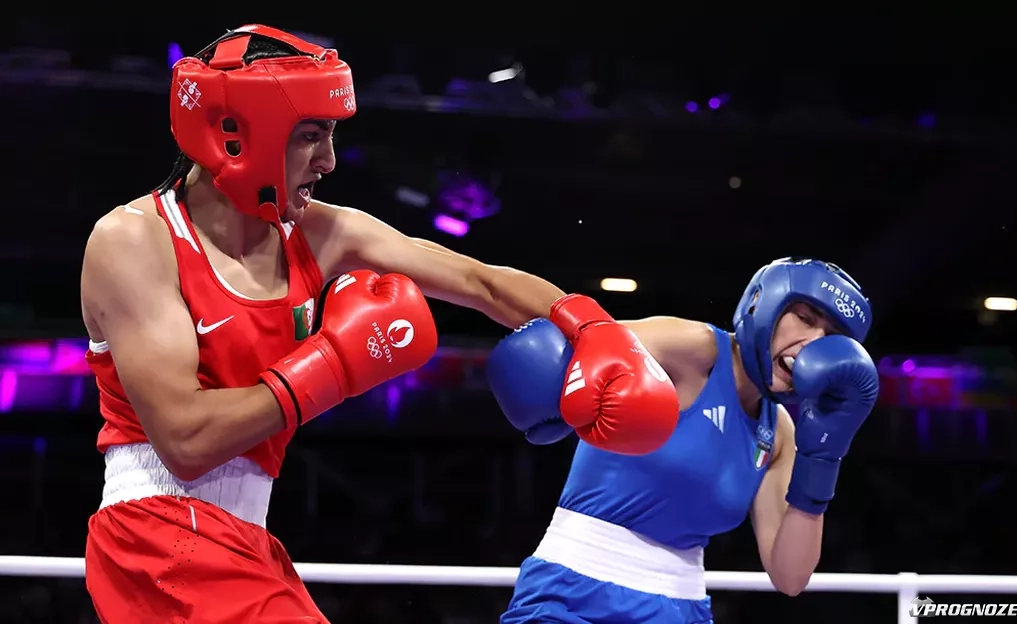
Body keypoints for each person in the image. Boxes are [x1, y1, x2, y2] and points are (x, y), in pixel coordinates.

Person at [79, 25, 677, 623]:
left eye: (330, 135)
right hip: (159, 534)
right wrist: (333, 365)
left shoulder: (319, 233)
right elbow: (185, 442)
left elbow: (481, 283)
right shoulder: (135, 241)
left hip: (243, 537)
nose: (328, 161)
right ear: (236, 134)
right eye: (310, 136)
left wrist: (591, 328)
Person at [487, 257, 880, 623]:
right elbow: (577, 330)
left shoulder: (779, 432)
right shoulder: (694, 348)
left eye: (831, 336)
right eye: (805, 318)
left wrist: (824, 455)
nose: (814, 342)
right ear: (763, 305)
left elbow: (790, 576)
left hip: (680, 606)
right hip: (573, 590)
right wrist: (472, 281)